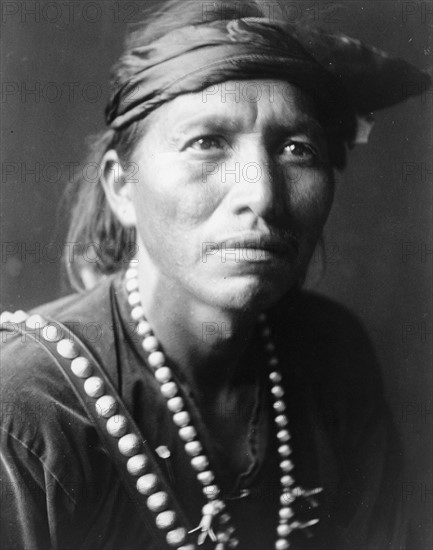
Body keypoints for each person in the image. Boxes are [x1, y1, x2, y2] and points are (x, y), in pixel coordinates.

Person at [1, 1, 430, 549]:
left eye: (297, 149)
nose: (263, 194)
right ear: (121, 186)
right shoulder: (23, 411)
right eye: (207, 143)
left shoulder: (334, 356)